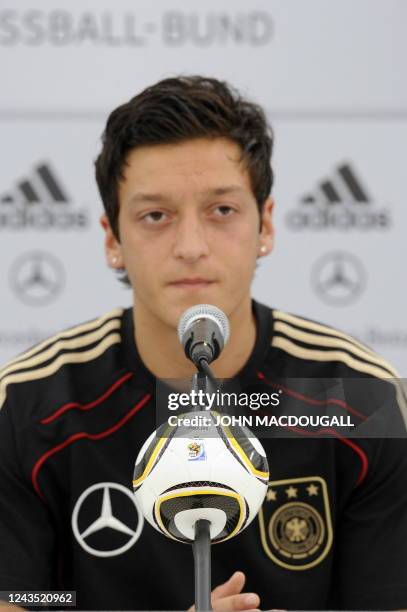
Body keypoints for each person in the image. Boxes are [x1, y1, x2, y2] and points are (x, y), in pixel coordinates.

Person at [0, 75, 406, 612]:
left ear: (265, 225)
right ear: (112, 239)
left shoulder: (361, 396)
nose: (190, 247)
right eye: (155, 216)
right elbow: (21, 599)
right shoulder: (30, 405)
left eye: (221, 211)